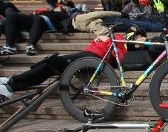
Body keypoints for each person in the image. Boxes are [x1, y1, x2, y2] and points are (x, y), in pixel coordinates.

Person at [0, 26, 146, 99]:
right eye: (140, 39)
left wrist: (107, 40)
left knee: (53, 62)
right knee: (49, 65)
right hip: (86, 54)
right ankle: (12, 82)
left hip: (91, 59)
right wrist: (102, 38)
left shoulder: (123, 46)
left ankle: (12, 85)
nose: (140, 43)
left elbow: (119, 58)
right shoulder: (119, 38)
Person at [1, 0, 70, 56]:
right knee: (9, 10)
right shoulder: (46, 11)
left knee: (38, 18)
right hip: (31, 19)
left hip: (44, 22)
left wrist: (63, 5)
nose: (58, 7)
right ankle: (10, 46)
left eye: (61, 7)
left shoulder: (62, 15)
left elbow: (68, 19)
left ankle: (31, 45)